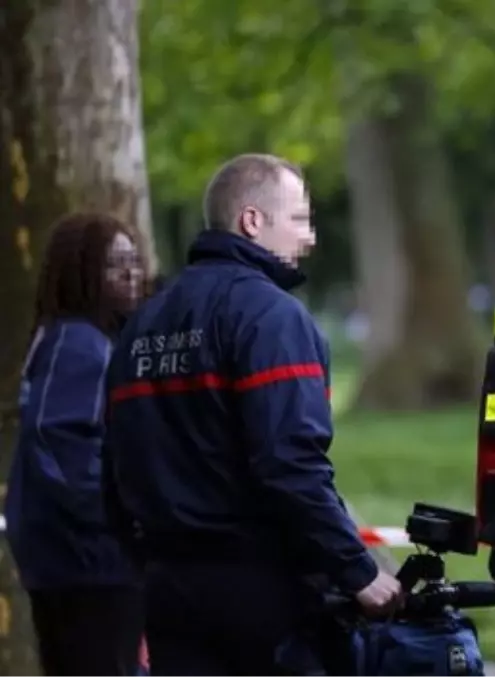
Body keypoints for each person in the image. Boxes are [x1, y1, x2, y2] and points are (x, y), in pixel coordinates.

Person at [102, 153, 402, 676]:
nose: (309, 238)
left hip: (167, 588)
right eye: (300, 219)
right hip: (261, 592)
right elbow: (289, 464)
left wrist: (144, 563)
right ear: (252, 221)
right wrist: (356, 571)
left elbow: (113, 465)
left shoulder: (143, 324)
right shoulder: (271, 318)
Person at [5, 212, 147, 677]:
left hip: (76, 562)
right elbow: (60, 440)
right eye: (114, 265)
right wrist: (123, 516)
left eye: (133, 260)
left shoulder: (75, 338)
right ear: (81, 274)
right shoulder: (79, 343)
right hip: (87, 565)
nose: (131, 273)